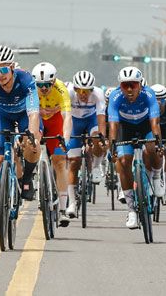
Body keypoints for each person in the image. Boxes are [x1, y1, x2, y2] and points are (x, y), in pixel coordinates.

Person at [0, 46, 41, 235]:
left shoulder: (26, 79)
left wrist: (32, 135)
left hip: (24, 114)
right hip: (1, 115)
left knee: (31, 145)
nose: (0, 75)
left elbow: (33, 113)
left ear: (12, 67)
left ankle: (26, 177)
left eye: (3, 69)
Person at [107, 66, 162, 229]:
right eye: (125, 85)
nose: (129, 89)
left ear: (140, 85)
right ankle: (131, 210)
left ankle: (157, 177)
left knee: (152, 148)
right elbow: (113, 125)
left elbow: (155, 123)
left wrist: (159, 143)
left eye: (133, 85)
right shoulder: (115, 97)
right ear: (120, 86)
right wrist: (112, 147)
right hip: (125, 128)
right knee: (124, 161)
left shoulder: (149, 94)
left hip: (146, 125)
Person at [31, 62, 71, 227]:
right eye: (40, 85)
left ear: (54, 81)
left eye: (47, 84)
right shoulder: (30, 88)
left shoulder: (61, 89)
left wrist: (65, 140)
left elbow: (67, 117)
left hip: (55, 121)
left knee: (60, 162)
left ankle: (62, 209)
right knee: (31, 146)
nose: (44, 88)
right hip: (38, 119)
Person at [65, 70, 107, 219]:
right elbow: (65, 117)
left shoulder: (98, 94)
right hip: (74, 122)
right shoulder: (68, 93)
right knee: (73, 162)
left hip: (91, 121)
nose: (83, 94)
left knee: (97, 139)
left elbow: (101, 118)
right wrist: (66, 136)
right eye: (80, 90)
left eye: (87, 91)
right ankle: (72, 203)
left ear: (92, 89)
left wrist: (102, 138)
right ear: (75, 88)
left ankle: (96, 167)